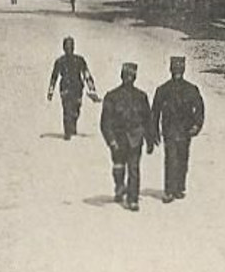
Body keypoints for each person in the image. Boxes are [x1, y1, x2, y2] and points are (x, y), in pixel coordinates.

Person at [150, 55, 205, 201]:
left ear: (184, 69)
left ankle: (179, 187)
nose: (177, 72)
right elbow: (155, 112)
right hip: (169, 130)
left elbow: (199, 109)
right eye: (175, 69)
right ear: (170, 70)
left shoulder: (191, 89)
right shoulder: (163, 90)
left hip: (185, 130)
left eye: (180, 69)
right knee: (171, 158)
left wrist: (197, 125)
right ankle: (169, 190)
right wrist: (154, 132)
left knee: (183, 158)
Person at [99, 62, 151, 211]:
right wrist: (111, 140)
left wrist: (149, 139)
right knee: (119, 167)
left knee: (134, 168)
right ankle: (120, 186)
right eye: (126, 75)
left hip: (135, 138)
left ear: (135, 77)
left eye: (132, 76)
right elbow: (105, 122)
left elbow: (147, 119)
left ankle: (133, 199)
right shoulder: (112, 96)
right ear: (121, 76)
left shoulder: (141, 96)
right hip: (118, 139)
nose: (129, 79)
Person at [46, 36, 99, 139]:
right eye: (66, 47)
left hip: (77, 88)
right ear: (63, 48)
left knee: (76, 109)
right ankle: (67, 132)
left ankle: (73, 124)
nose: (68, 50)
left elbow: (86, 74)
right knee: (66, 108)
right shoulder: (60, 61)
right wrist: (50, 91)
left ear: (73, 48)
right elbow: (54, 76)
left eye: (70, 47)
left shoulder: (79, 60)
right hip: (65, 87)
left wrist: (92, 89)